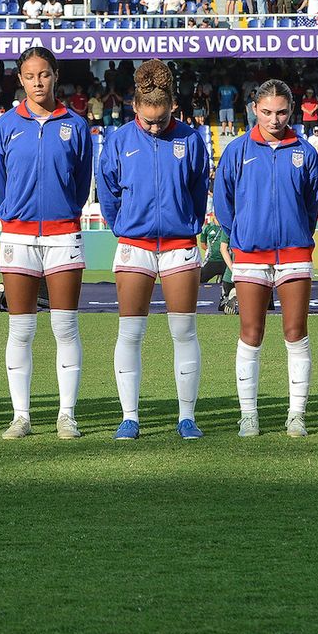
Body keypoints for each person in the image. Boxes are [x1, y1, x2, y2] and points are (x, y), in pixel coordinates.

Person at [95, 60, 210, 441]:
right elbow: (108, 194)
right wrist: (125, 228)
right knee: (130, 332)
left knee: (184, 330)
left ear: (173, 106)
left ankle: (187, 417)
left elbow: (196, 193)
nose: (155, 127)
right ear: (135, 107)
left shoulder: (191, 140)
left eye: (161, 120)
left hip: (178, 245)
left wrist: (186, 226)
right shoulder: (119, 140)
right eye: (148, 121)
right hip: (134, 245)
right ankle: (130, 417)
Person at [0, 47, 93, 439]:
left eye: (44, 75)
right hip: (18, 233)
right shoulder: (4, 127)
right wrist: (16, 211)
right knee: (21, 329)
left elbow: (81, 184)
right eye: (30, 76)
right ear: (20, 80)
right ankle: (22, 415)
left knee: (65, 327)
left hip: (64, 233)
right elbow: (0, 180)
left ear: (55, 76)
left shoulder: (76, 126)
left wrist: (63, 210)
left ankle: (67, 415)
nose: (37, 82)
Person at [215, 80, 318, 437]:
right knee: (251, 333)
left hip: (294, 253)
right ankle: (248, 415)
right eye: (266, 112)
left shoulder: (306, 152)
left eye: (280, 112)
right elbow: (223, 202)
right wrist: (242, 235)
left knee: (295, 333)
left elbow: (310, 206)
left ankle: (297, 414)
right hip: (249, 254)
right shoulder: (236, 151)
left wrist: (295, 234)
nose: (274, 119)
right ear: (253, 110)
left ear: (291, 111)